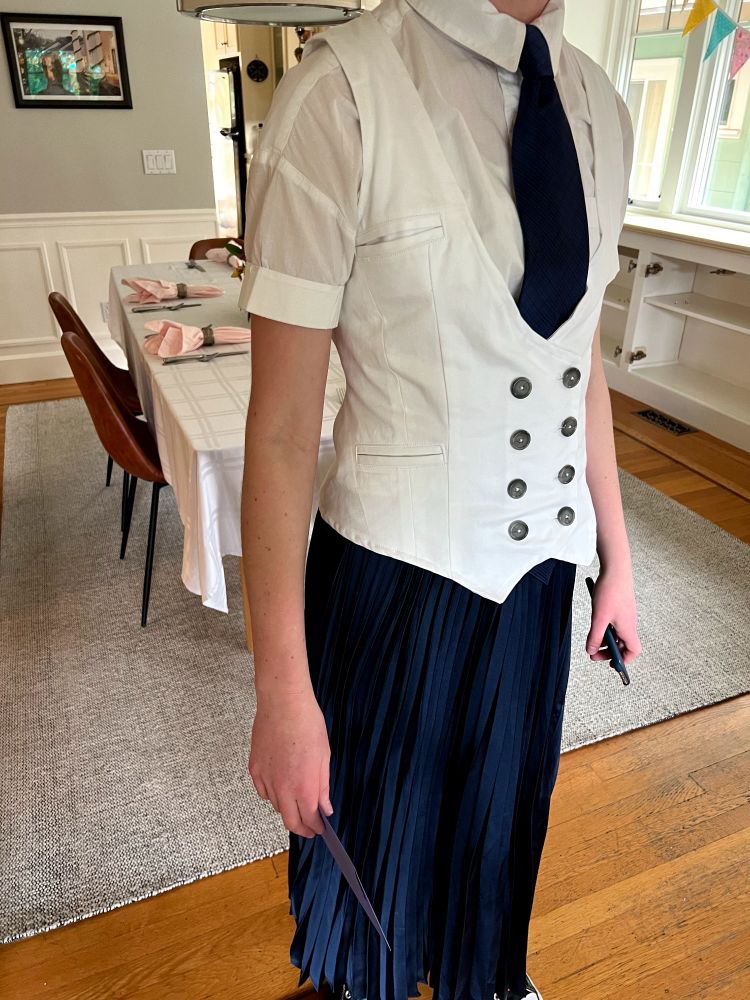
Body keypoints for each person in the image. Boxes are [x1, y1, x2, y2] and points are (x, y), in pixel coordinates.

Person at [239, 1, 642, 998]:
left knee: (501, 834)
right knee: (373, 863)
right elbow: (281, 435)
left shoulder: (600, 104)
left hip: (541, 583)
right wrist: (281, 691)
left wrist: (617, 559)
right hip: (393, 582)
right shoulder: (341, 91)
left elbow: (580, 358)